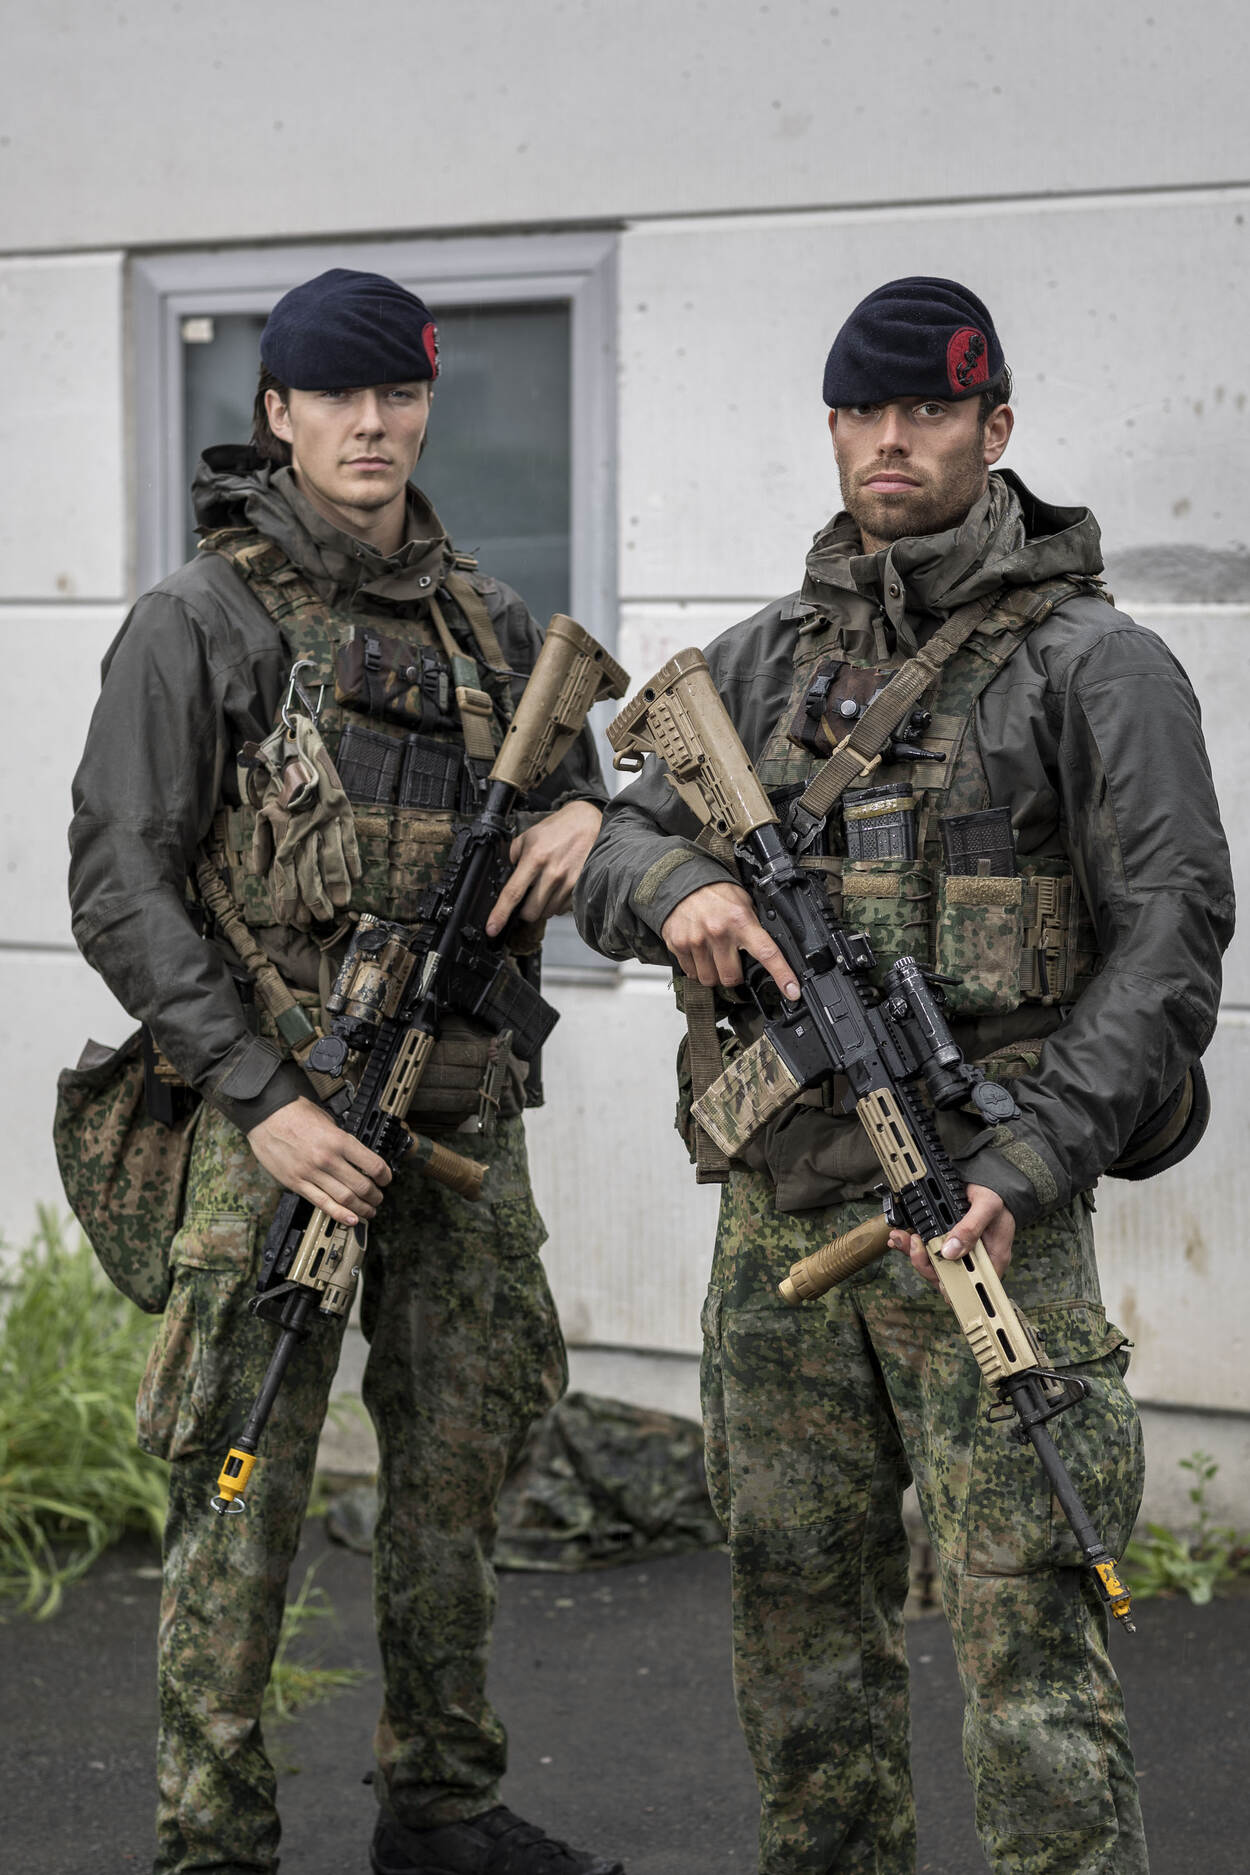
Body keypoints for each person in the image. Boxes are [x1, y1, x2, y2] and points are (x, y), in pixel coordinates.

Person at [574, 276, 1233, 1875]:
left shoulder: (1095, 666)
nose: (890, 440)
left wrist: (1024, 1160)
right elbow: (604, 843)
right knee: (796, 1618)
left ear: (992, 429)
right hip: (780, 1229)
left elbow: (1171, 941)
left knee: (1024, 1635)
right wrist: (674, 887)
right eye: (861, 413)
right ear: (829, 431)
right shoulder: (755, 664)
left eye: (927, 410)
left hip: (982, 1214)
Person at [69, 268, 624, 1875]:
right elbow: (121, 885)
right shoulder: (202, 620)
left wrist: (589, 821)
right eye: (335, 396)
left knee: (460, 1463)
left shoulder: (491, 626)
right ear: (279, 413)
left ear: (426, 405)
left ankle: (439, 1805)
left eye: (398, 394)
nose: (370, 424)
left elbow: (581, 820)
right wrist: (264, 1100)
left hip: (458, 1111)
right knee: (238, 1477)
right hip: (276, 1125)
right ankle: (212, 1840)